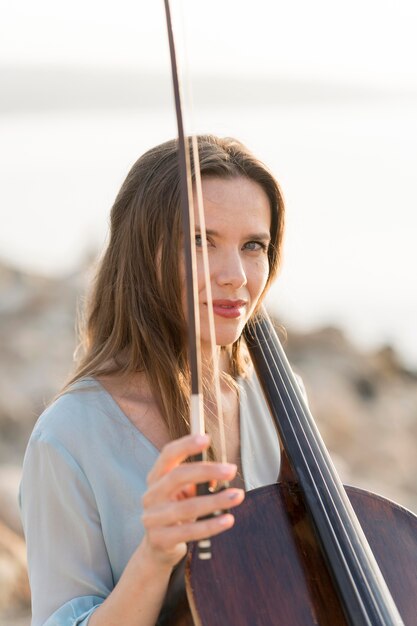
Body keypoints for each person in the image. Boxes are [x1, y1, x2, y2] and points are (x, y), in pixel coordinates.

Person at [20, 135, 286, 626]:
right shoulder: (67, 438)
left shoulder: (273, 400)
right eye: (202, 241)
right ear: (144, 253)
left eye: (254, 245)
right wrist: (155, 556)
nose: (236, 276)